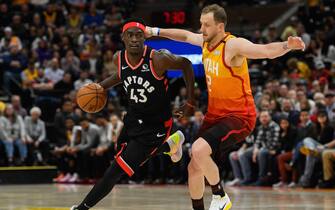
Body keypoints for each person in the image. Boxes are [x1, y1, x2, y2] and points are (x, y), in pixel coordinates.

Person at [146, 4, 305, 210]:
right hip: (215, 115)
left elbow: (264, 51)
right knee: (194, 166)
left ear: (220, 27)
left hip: (239, 116)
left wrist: (286, 45)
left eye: (207, 25)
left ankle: (220, 195)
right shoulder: (205, 41)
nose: (201, 29)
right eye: (201, 24)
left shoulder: (233, 45)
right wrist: (155, 31)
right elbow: (184, 36)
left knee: (198, 149)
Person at [71, 18, 195, 210]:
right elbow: (122, 75)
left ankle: (82, 208)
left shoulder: (158, 58)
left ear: (145, 38)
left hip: (156, 125)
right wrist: (100, 87)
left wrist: (190, 102)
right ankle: (170, 145)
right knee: (122, 157)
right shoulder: (118, 59)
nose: (135, 39)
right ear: (123, 38)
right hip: (132, 119)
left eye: (139, 35)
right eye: (131, 35)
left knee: (115, 171)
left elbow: (186, 64)